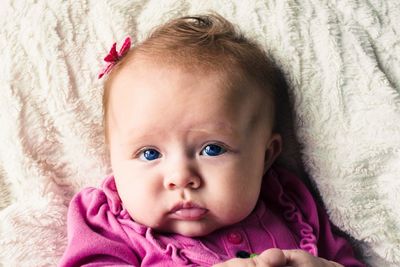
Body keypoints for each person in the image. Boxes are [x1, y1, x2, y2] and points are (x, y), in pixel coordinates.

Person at [59, 14, 365, 266]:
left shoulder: (290, 203)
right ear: (113, 156)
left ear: (266, 155)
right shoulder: (107, 223)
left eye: (212, 149)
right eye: (149, 154)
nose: (181, 178)